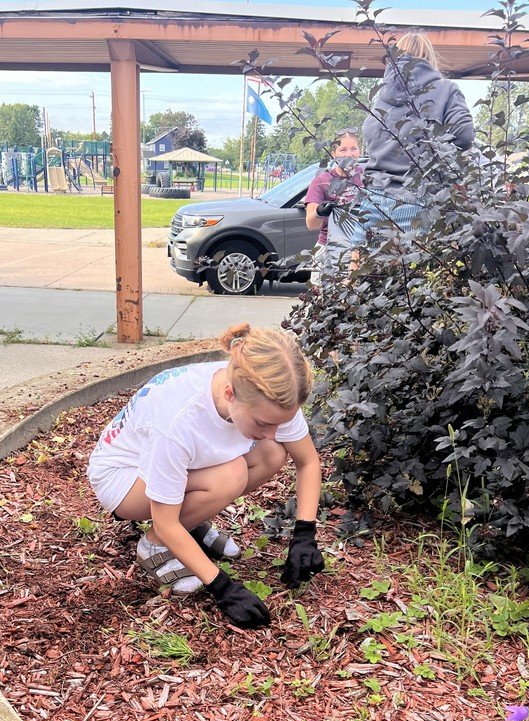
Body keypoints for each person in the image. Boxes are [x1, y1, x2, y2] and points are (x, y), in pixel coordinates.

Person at [87, 324, 325, 630]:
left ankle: (192, 521)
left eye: (281, 424)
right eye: (264, 423)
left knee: (272, 453)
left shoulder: (269, 392)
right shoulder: (177, 419)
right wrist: (223, 587)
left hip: (177, 465)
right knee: (231, 475)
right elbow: (165, 521)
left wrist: (305, 535)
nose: (272, 433)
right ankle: (155, 547)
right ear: (229, 394)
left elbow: (307, 461)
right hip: (123, 480)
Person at [358, 31, 474, 239]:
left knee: (368, 270)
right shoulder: (446, 89)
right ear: (429, 58)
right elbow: (464, 135)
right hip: (418, 199)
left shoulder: (382, 95)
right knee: (418, 270)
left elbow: (371, 135)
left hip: (373, 199)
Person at [304, 130, 364, 284]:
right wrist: (319, 212)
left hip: (361, 251)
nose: (348, 154)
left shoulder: (367, 177)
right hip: (328, 250)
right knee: (322, 300)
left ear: (360, 151)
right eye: (343, 150)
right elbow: (311, 224)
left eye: (353, 149)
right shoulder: (322, 181)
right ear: (333, 153)